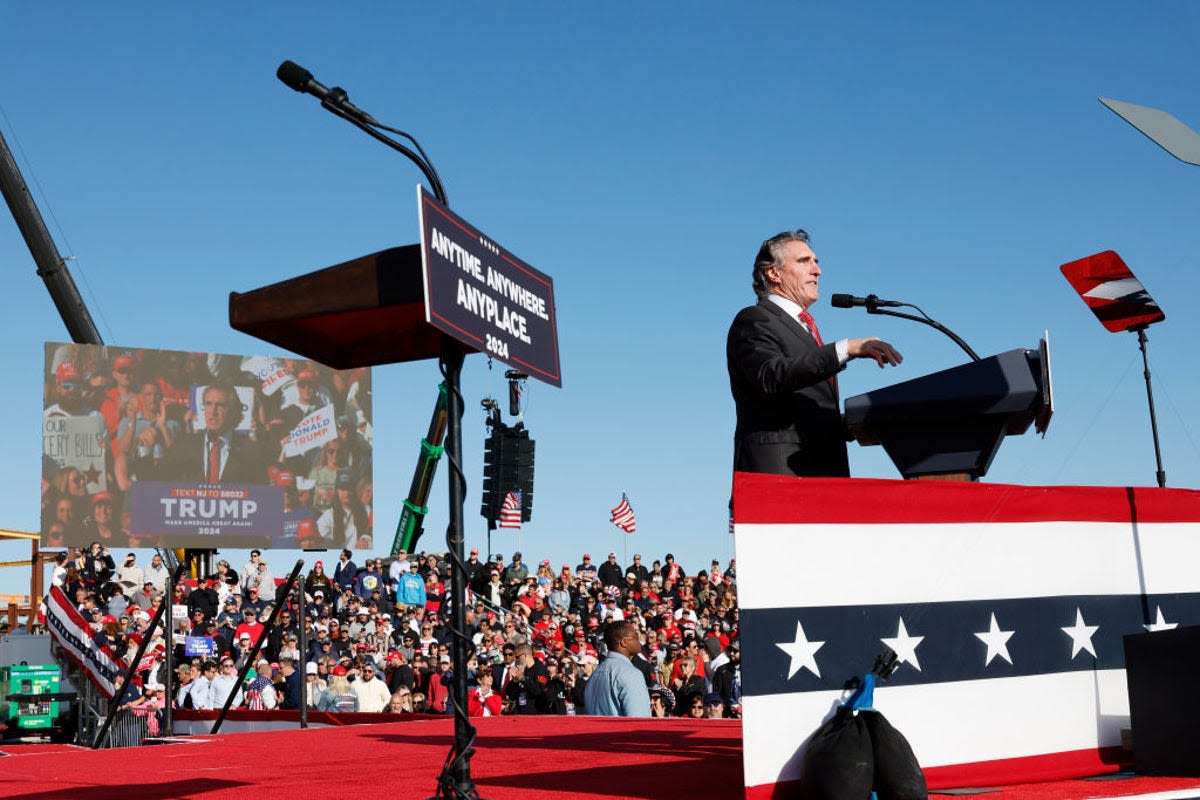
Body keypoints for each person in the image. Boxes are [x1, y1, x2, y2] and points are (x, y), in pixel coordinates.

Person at [726, 228, 902, 478]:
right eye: (804, 261)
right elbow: (770, 375)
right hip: (780, 476)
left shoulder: (806, 329)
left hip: (823, 477)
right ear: (773, 273)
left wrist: (863, 422)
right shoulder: (754, 319)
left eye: (816, 262)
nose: (817, 270)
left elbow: (804, 413)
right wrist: (845, 348)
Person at [584, 620, 651, 717]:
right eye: (635, 635)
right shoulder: (630, 674)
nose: (639, 639)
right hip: (620, 731)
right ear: (623, 642)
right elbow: (639, 722)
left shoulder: (595, 674)